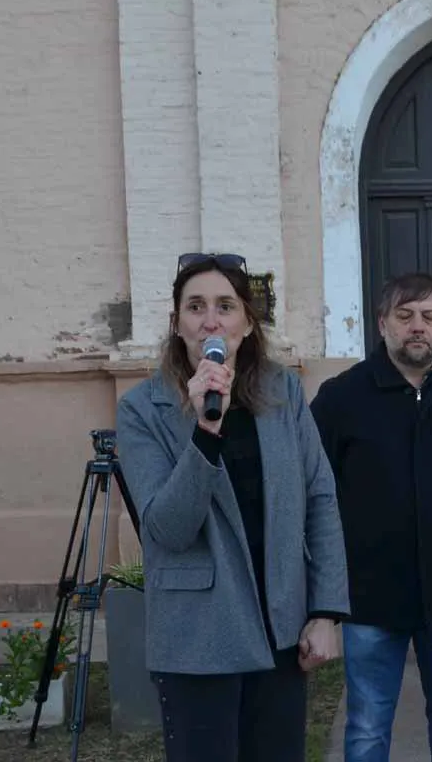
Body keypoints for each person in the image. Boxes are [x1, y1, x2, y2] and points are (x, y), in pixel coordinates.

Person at [116, 252, 350, 762]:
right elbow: (167, 529)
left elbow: (320, 498)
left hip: (281, 628)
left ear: (246, 321)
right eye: (195, 306)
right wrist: (205, 430)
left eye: (225, 305)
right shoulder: (141, 409)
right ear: (177, 324)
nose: (211, 319)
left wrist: (326, 611)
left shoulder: (282, 390)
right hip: (198, 634)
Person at [311, 273, 432, 762]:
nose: (417, 327)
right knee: (366, 727)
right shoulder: (341, 399)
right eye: (404, 316)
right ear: (382, 324)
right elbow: (319, 486)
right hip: (371, 595)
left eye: (429, 316)